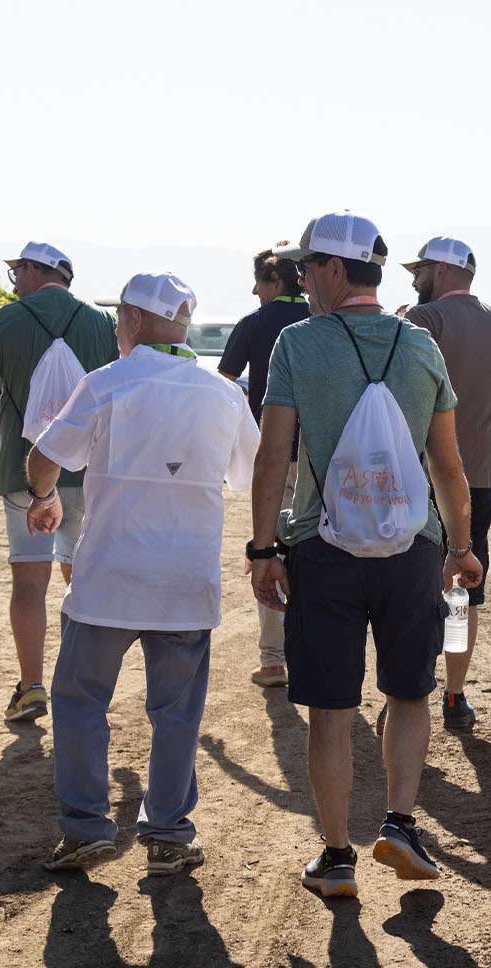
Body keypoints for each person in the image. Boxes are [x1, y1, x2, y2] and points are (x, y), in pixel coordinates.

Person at [245, 211, 482, 900]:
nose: (299, 279)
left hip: (325, 547)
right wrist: (461, 546)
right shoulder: (420, 348)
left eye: (305, 267)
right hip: (412, 547)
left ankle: (338, 855)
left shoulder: (297, 344)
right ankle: (402, 823)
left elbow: (272, 458)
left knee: (331, 709)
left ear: (334, 270)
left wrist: (264, 548)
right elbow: (448, 465)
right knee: (409, 691)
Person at [27, 273, 258, 876]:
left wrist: (43, 497)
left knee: (79, 700)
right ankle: (168, 834)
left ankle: (86, 828)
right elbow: (249, 474)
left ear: (130, 319)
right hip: (186, 582)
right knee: (176, 714)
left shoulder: (106, 382)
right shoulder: (223, 393)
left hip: (109, 577)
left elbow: (45, 457)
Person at [0, 242, 117, 724]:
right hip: (87, 471)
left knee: (29, 579)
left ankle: (31, 686)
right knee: (83, 574)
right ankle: (85, 684)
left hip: (24, 471)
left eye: (17, 269)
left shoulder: (7, 319)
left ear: (37, 270)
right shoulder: (101, 323)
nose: (14, 279)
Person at [402, 236, 491, 733]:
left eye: (419, 269)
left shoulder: (424, 321)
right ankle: (455, 695)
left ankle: (410, 686)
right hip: (481, 476)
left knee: (415, 584)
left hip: (426, 473)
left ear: (441, 271)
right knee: (465, 589)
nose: (414, 278)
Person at [217, 246, 309, 688]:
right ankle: (312, 650)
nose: (254, 290)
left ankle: (273, 659)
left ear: (276, 282)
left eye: (259, 281)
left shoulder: (254, 324)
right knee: (314, 551)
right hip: (319, 459)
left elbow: (222, 386)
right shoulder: (322, 321)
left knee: (267, 547)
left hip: (269, 455)